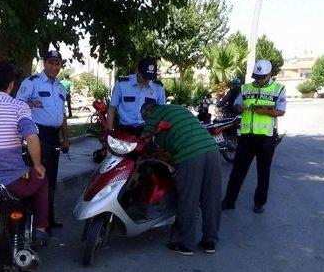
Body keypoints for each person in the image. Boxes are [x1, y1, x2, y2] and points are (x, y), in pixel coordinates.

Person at [0, 61, 50, 246]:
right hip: (13, 183)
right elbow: (31, 137)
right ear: (11, 85)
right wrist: (38, 165)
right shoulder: (19, 107)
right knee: (42, 179)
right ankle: (40, 229)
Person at [141, 100, 222, 255]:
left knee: (188, 198)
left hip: (190, 155)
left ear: (147, 113)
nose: (146, 121)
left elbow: (143, 144)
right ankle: (210, 241)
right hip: (212, 150)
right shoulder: (178, 108)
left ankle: (186, 243)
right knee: (211, 197)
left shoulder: (152, 117)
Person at [221, 60, 286, 214]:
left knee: (263, 172)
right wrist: (239, 107)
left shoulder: (278, 89)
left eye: (262, 77)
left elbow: (281, 111)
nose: (258, 80)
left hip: (266, 138)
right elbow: (236, 106)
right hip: (246, 137)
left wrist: (266, 111)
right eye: (256, 77)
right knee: (237, 170)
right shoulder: (245, 88)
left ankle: (259, 203)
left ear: (270, 74)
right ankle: (229, 201)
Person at [16, 50, 69, 230]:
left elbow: (62, 115)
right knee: (39, 177)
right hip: (37, 135)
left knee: (51, 178)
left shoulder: (61, 87)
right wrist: (30, 104)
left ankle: (48, 218)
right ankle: (36, 222)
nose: (54, 67)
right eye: (51, 63)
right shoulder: (32, 83)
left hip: (54, 137)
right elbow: (18, 104)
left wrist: (66, 138)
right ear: (44, 63)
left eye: (57, 63)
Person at [107, 57, 166, 136]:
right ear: (137, 71)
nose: (147, 80)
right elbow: (111, 109)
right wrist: (109, 132)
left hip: (148, 131)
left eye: (150, 77)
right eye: (145, 76)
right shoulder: (122, 84)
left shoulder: (158, 88)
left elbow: (162, 113)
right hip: (125, 130)